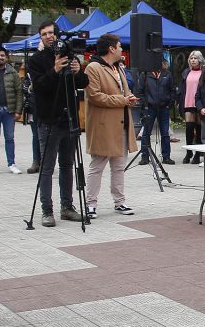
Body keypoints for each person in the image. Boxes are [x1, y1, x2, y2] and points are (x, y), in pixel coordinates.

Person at [27, 20, 89, 227]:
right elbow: (40, 86)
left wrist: (77, 71)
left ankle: (67, 207)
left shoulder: (69, 56)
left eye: (51, 33)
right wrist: (54, 70)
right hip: (48, 120)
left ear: (57, 34)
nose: (48, 36)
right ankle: (47, 210)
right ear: (41, 37)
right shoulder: (36, 60)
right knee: (47, 168)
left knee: (67, 165)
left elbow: (83, 83)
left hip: (69, 118)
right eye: (44, 34)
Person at [83, 34, 139, 218]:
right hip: (103, 126)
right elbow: (95, 96)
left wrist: (130, 97)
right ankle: (90, 204)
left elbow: (124, 91)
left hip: (121, 123)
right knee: (97, 166)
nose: (122, 49)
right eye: (119, 46)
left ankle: (120, 202)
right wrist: (123, 100)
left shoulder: (118, 67)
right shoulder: (93, 67)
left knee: (119, 166)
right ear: (111, 48)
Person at [134, 58, 177, 165]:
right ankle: (145, 156)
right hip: (149, 107)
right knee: (146, 132)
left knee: (165, 133)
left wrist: (169, 103)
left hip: (164, 107)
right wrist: (145, 104)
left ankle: (166, 156)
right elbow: (139, 91)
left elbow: (172, 90)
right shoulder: (145, 74)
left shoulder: (167, 74)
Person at [181, 51, 204, 164]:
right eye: (191, 58)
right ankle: (188, 152)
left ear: (200, 60)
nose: (193, 60)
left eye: (195, 58)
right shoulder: (186, 72)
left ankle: (198, 154)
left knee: (199, 128)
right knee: (189, 127)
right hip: (188, 101)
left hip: (199, 102)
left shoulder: (204, 72)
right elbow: (183, 87)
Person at [21, 62, 41, 173]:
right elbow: (25, 90)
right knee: (36, 136)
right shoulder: (29, 76)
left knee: (47, 137)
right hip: (33, 109)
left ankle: (45, 161)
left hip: (46, 110)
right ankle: (36, 161)